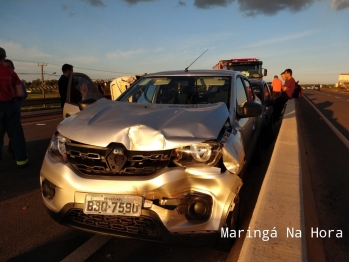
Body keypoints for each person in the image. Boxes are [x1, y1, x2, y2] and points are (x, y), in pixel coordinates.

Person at [0, 47, 28, 167]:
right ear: (4, 57)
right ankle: (21, 160)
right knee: (16, 135)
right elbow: (21, 94)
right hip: (11, 106)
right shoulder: (11, 73)